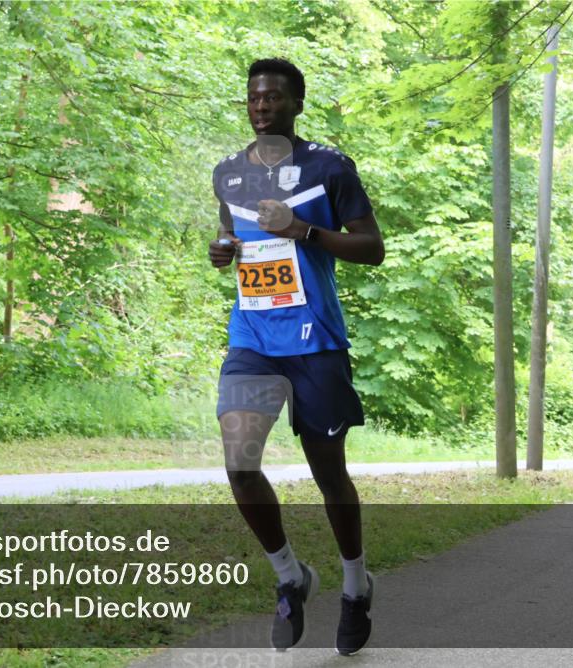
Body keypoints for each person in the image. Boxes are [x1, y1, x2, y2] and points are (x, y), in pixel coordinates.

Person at [208, 58, 384, 655]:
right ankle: (289, 576)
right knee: (239, 462)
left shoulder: (330, 168)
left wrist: (304, 231)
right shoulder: (228, 175)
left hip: (316, 345)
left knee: (328, 473)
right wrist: (223, 250)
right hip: (253, 340)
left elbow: (371, 249)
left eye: (275, 98)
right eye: (255, 97)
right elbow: (234, 240)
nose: (263, 106)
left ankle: (356, 585)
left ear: (297, 104)